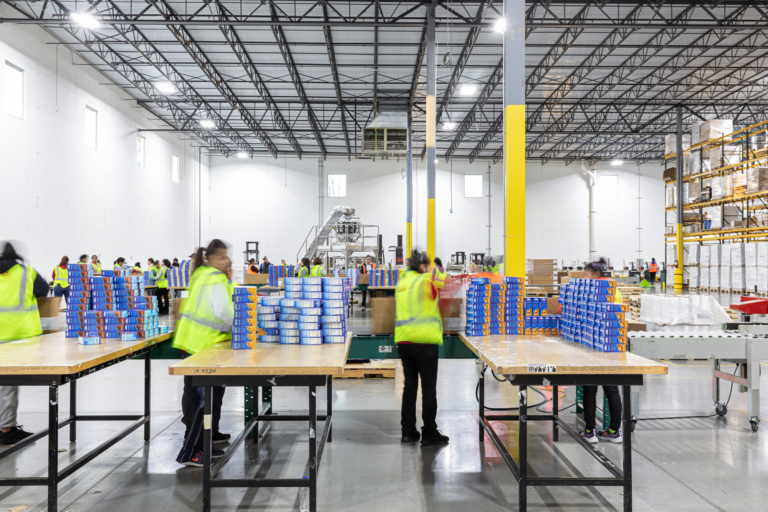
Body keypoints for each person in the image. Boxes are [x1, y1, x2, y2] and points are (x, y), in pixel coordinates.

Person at [173, 239, 234, 466]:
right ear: (210, 258)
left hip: (196, 343)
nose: (226, 260)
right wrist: (247, 325)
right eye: (221, 256)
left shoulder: (202, 274)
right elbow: (223, 311)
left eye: (226, 256)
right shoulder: (214, 278)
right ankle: (191, 451)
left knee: (204, 395)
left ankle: (207, 438)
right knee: (203, 398)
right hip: (203, 346)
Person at [396, 250, 449, 446]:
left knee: (409, 387)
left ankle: (408, 431)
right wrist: (440, 269)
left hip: (404, 341)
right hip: (425, 343)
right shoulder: (426, 281)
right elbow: (442, 285)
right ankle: (429, 432)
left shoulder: (401, 282)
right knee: (428, 390)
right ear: (422, 267)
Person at [0, 241, 49, 445]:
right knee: (7, 385)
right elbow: (43, 290)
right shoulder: (26, 271)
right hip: (17, 337)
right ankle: (6, 429)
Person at [579, 258, 624, 444]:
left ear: (596, 274)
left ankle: (590, 431)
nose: (583, 277)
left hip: (593, 345)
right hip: (613, 345)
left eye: (585, 274)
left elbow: (582, 314)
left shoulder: (594, 290)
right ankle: (614, 431)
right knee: (611, 389)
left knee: (589, 388)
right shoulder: (616, 290)